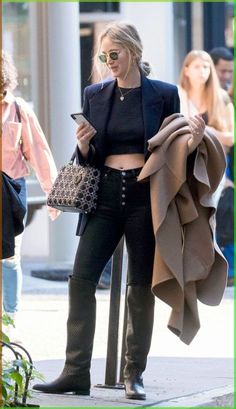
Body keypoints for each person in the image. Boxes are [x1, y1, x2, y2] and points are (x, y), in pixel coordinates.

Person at [33, 21, 204, 400]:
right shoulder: (95, 94)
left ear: (134, 53)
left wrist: (192, 138)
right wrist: (83, 145)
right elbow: (90, 157)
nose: (108, 61)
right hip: (104, 194)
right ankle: (75, 371)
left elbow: (172, 151)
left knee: (139, 286)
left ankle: (133, 375)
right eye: (103, 55)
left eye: (115, 54)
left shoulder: (163, 94)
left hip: (145, 197)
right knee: (81, 279)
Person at [1, 50, 60, 341]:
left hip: (10, 192)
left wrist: (53, 194)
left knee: (9, 259)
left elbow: (38, 150)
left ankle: (9, 322)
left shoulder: (18, 109)